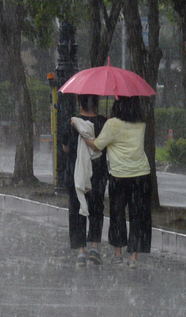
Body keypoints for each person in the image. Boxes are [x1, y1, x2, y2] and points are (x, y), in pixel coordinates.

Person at [77, 96, 152, 269]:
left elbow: (96, 146)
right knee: (138, 216)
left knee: (117, 215)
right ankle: (133, 257)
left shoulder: (112, 125)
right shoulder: (141, 125)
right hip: (142, 175)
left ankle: (118, 254)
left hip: (119, 176)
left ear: (117, 106)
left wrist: (82, 132)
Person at [62, 94, 108, 267]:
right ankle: (94, 247)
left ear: (79, 103)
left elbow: (65, 147)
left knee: (77, 210)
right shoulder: (104, 123)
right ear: (96, 103)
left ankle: (81, 251)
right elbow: (106, 146)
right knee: (96, 209)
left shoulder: (72, 122)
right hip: (98, 173)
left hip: (75, 173)